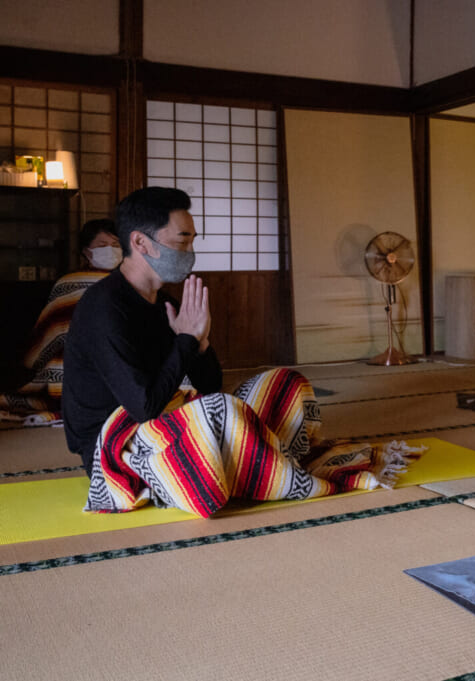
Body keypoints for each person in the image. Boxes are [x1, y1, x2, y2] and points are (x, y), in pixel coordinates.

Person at [63, 187, 413, 517]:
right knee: (221, 413)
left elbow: (209, 386)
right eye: (182, 240)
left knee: (284, 383)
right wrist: (184, 340)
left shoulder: (164, 304)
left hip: (168, 419)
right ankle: (261, 468)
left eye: (192, 240)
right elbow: (144, 406)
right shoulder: (104, 308)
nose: (189, 251)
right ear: (141, 242)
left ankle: (254, 465)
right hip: (114, 445)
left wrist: (200, 344)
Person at [0, 220, 121, 424]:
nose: (110, 250)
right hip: (71, 365)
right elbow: (53, 330)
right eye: (102, 246)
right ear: (86, 251)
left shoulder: (131, 283)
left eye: (116, 245)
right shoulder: (68, 284)